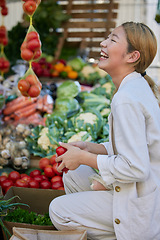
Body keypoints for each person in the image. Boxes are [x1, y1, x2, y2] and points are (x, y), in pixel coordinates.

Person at [49, 22, 160, 240]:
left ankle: (123, 233)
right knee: (74, 175)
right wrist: (90, 148)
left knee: (58, 211)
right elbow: (135, 146)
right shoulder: (135, 87)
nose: (103, 43)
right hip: (144, 188)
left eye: (112, 39)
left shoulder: (126, 99)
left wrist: (83, 156)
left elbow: (136, 168)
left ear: (132, 56)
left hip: (142, 202)